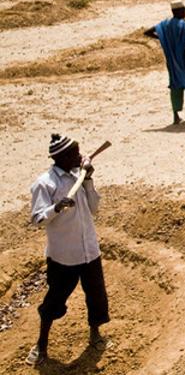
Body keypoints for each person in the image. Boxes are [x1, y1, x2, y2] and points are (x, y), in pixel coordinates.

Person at [27, 134, 110, 366]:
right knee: (54, 300)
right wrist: (56, 207)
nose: (79, 156)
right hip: (64, 256)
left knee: (96, 295)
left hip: (89, 251)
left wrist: (89, 181)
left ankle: (95, 334)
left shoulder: (79, 176)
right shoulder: (45, 183)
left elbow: (94, 209)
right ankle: (41, 344)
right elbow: (37, 219)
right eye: (74, 153)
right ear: (61, 158)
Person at [144, 0, 185, 124]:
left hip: (172, 62)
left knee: (175, 85)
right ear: (179, 11)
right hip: (184, 60)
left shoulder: (164, 24)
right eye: (184, 10)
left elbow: (147, 32)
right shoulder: (183, 25)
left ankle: (176, 115)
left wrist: (163, 39)